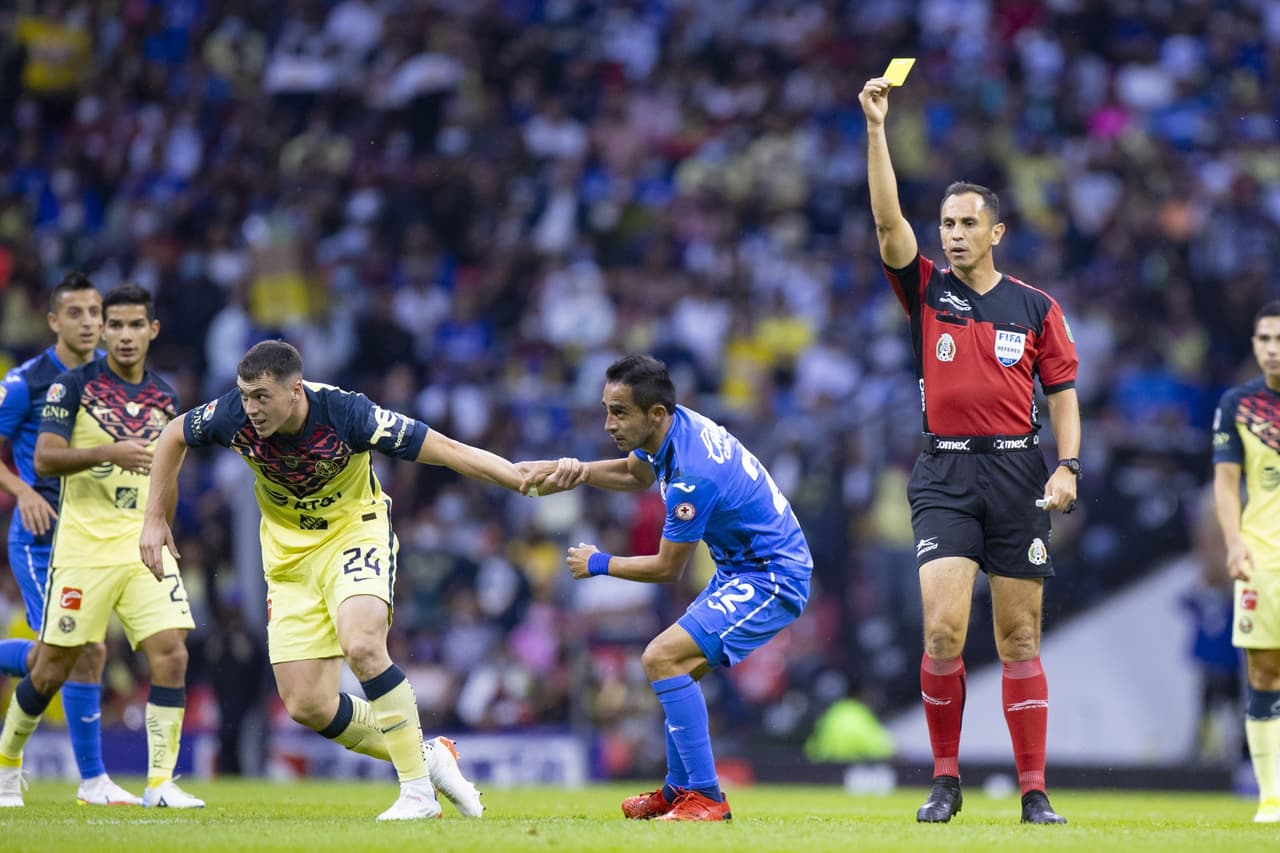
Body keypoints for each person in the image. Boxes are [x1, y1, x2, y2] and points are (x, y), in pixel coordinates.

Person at [140, 339, 524, 820]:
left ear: (295, 390)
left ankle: (417, 794)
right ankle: (429, 760)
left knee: (361, 644)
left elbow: (442, 448)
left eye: (262, 396)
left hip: (353, 534)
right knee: (307, 703)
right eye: (244, 395)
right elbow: (174, 433)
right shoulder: (231, 415)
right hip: (289, 560)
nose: (251, 408)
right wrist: (155, 517)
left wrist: (513, 476)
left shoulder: (347, 414)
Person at [859, 77, 1080, 824]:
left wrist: (1069, 465)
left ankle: (1033, 789)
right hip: (945, 470)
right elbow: (888, 221)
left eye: (965, 223)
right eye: (946, 222)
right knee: (943, 627)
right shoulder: (924, 289)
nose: (951, 233)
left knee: (1018, 633)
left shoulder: (1037, 308)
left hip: (1020, 470)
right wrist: (876, 130)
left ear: (996, 232)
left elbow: (1063, 397)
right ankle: (946, 779)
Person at [523, 353, 813, 822]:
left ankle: (707, 798)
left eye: (619, 412)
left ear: (655, 413)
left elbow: (666, 568)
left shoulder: (692, 474)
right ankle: (679, 790)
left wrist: (598, 562)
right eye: (606, 409)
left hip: (772, 576)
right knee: (677, 668)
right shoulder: (674, 431)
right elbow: (636, 474)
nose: (607, 424)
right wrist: (576, 472)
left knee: (661, 657)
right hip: (742, 569)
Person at [0, 283, 202, 809]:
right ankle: (6, 766)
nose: (117, 332)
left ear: (153, 330)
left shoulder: (165, 395)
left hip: (139, 542)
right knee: (54, 665)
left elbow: (169, 470)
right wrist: (106, 452)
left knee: (172, 653)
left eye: (134, 324)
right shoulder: (62, 387)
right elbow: (44, 459)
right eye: (112, 323)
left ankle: (160, 784)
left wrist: (163, 524)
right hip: (77, 543)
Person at [0, 272, 140, 806]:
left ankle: (93, 782)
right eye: (76, 314)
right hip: (41, 539)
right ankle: (91, 779)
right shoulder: (26, 382)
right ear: (54, 321)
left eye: (95, 314)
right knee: (75, 649)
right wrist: (23, 492)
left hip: (93, 539)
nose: (89, 323)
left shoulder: (113, 381)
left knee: (83, 654)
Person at [1212, 301, 1280, 823]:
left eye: (1279, 339)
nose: (1272, 349)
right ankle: (1270, 797)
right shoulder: (1238, 405)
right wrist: (1234, 543)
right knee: (1262, 669)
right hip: (1263, 555)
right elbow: (1226, 483)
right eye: (1264, 339)